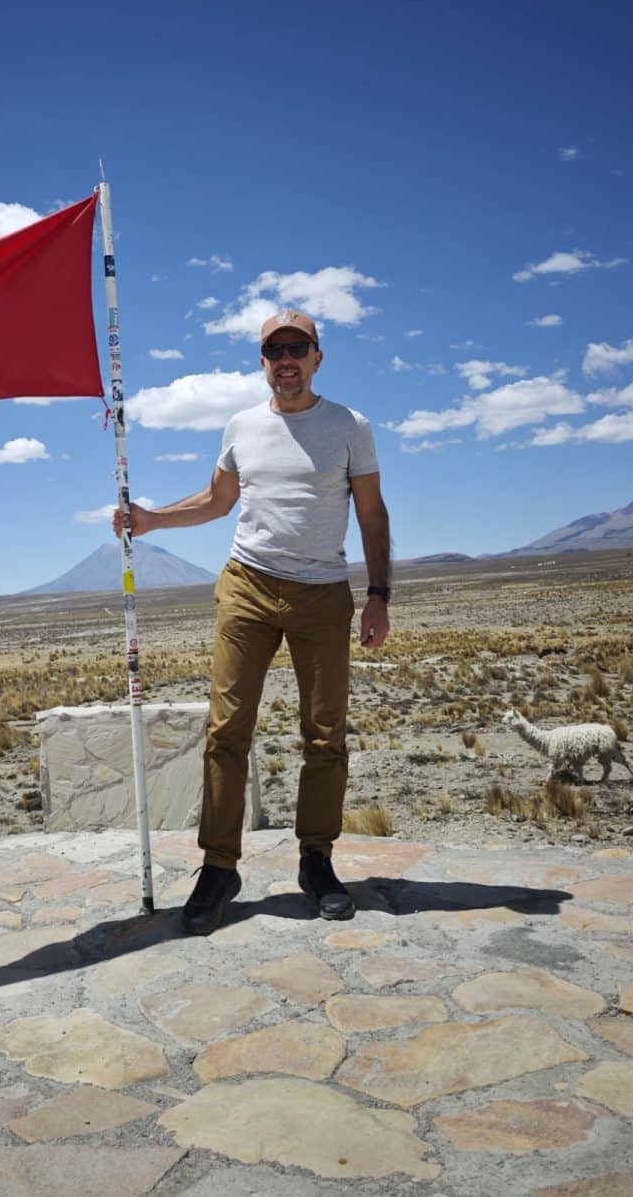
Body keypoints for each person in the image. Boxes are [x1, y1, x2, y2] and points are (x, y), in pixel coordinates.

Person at [113, 308, 391, 933]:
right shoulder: (241, 426)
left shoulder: (350, 426)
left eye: (297, 347)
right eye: (274, 350)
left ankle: (316, 861)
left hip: (323, 592)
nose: (285, 359)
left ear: (319, 356)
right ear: (262, 361)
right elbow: (218, 501)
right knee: (226, 727)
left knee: (325, 735)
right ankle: (219, 867)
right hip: (248, 586)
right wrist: (150, 518)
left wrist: (379, 595)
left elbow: (372, 514)